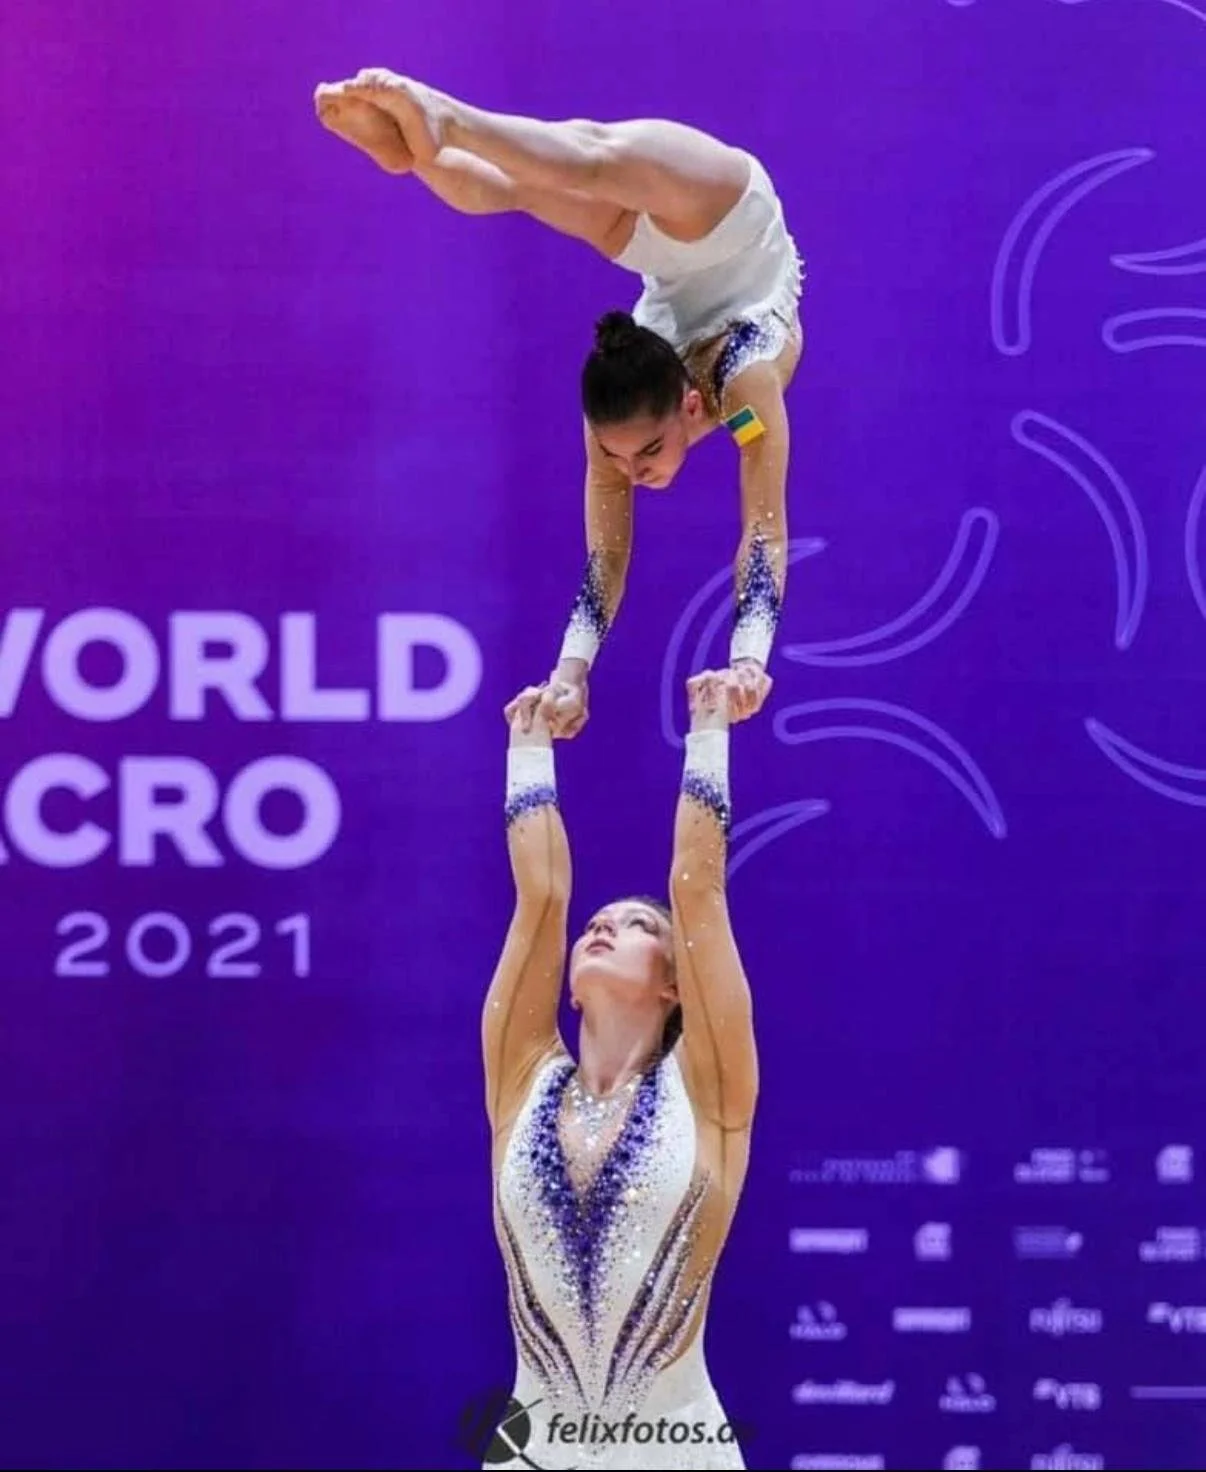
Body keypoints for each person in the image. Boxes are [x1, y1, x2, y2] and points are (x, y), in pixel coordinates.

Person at [314, 72, 805, 734]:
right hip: (721, 219)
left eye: (646, 453)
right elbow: (612, 559)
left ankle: (432, 136)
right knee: (557, 171)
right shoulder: (685, 399)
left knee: (566, 169)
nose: (631, 471)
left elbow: (761, 526)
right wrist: (572, 675)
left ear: (691, 408)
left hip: (702, 237)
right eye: (622, 455)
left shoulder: (742, 388)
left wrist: (746, 658)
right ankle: (429, 136)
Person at [472, 669, 757, 1470]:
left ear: (674, 982)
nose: (604, 928)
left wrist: (709, 730)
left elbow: (696, 891)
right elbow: (542, 897)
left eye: (634, 927)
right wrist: (528, 746)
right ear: (566, 982)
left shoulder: (709, 1090)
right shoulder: (519, 1082)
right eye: (599, 925)